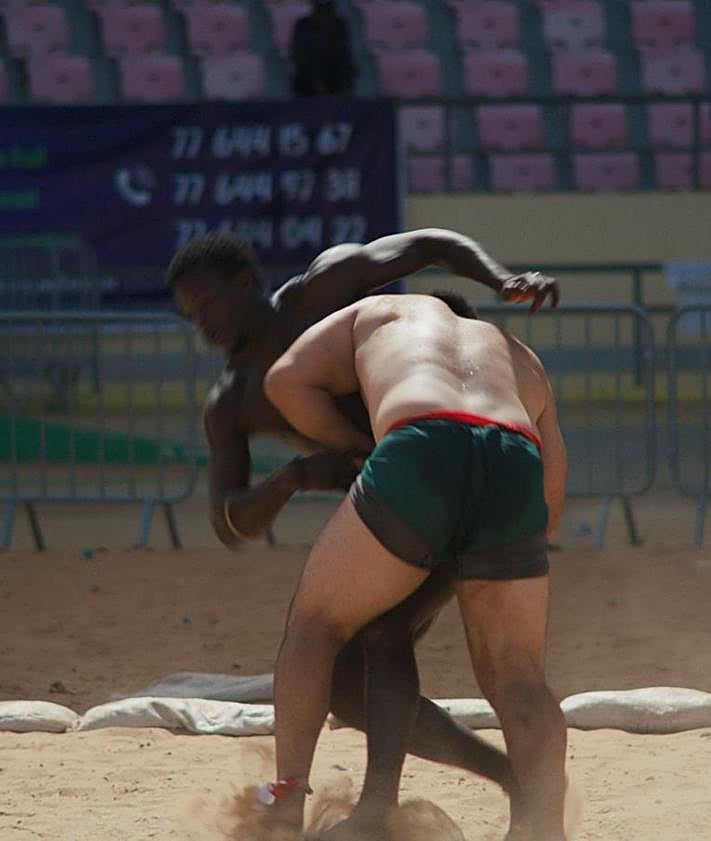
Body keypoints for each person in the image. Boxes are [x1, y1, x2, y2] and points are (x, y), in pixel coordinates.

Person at [166, 229, 559, 836]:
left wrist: (498, 275)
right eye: (190, 316)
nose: (203, 324)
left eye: (208, 304)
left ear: (244, 284)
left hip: (409, 469)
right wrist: (295, 476)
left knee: (366, 631)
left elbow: (432, 243)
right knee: (359, 687)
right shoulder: (229, 401)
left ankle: (331, 805)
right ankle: (525, 796)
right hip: (471, 481)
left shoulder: (327, 297)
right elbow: (230, 521)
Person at [263, 293, 568, 840]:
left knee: (315, 626)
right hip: (513, 458)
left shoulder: (376, 311)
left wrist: (358, 446)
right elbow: (550, 505)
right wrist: (479, 546)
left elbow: (285, 381)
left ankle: (284, 806)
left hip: (420, 443)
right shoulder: (520, 356)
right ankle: (546, 827)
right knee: (519, 676)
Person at [289, 0, 356, 97]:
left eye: (327, 9)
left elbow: (344, 55)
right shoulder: (303, 26)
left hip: (335, 80)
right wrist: (316, 83)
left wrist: (344, 85)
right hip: (308, 82)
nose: (324, 14)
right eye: (321, 9)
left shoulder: (340, 26)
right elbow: (299, 56)